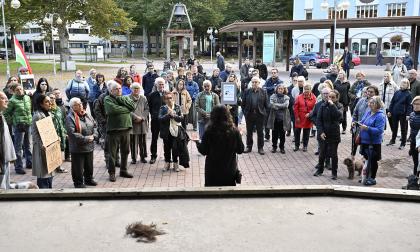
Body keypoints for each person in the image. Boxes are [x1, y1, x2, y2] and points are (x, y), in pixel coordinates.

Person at [193, 105, 244, 186]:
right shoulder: (234, 131)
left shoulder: (209, 131)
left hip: (212, 171)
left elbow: (203, 151)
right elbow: (240, 150)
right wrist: (239, 136)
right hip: (229, 170)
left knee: (211, 195)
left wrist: (197, 142)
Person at [104, 81, 135, 182]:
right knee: (112, 153)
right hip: (114, 130)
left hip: (126, 128)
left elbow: (133, 107)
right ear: (111, 91)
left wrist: (120, 98)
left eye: (120, 88)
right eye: (116, 89)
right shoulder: (107, 99)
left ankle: (123, 170)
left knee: (125, 151)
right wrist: (126, 109)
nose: (119, 90)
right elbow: (112, 110)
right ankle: (112, 173)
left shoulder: (125, 97)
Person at [66, 97, 97, 188]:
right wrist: (86, 138)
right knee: (78, 167)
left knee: (89, 165)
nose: (80, 105)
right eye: (77, 104)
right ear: (72, 107)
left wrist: (94, 136)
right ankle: (78, 183)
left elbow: (94, 125)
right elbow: (72, 133)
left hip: (89, 145)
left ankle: (88, 179)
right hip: (77, 147)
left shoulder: (87, 114)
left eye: (80, 103)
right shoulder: (70, 118)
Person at [313, 90, 343, 180]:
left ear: (337, 98)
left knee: (333, 154)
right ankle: (320, 170)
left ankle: (334, 173)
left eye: (333, 97)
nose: (330, 99)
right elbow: (319, 120)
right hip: (324, 134)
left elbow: (339, 116)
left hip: (334, 134)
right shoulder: (322, 105)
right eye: (329, 97)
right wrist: (321, 132)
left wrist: (332, 105)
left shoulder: (339, 106)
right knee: (322, 153)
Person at [3, 85, 32, 175]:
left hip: (28, 124)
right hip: (19, 126)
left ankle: (29, 163)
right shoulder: (12, 101)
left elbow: (29, 110)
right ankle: (18, 167)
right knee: (18, 147)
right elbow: (6, 113)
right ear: (14, 91)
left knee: (28, 145)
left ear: (23, 89)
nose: (19, 91)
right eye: (17, 90)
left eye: (20, 89)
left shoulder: (27, 98)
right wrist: (14, 121)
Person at [358, 96, 386, 186]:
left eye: (372, 103)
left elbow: (380, 130)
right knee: (366, 159)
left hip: (374, 142)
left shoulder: (380, 116)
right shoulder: (368, 112)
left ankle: (372, 178)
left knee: (373, 160)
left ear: (377, 104)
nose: (369, 104)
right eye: (369, 102)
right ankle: (365, 176)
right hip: (365, 141)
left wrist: (367, 128)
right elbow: (362, 121)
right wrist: (357, 123)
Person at [241, 76, 269, 155]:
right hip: (249, 115)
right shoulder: (247, 91)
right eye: (253, 82)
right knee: (249, 131)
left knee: (260, 132)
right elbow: (243, 104)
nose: (254, 83)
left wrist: (264, 114)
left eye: (256, 82)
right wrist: (245, 113)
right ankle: (249, 146)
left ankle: (260, 148)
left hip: (260, 115)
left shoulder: (263, 92)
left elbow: (267, 105)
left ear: (259, 83)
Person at [32, 95, 54, 188]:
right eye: (47, 102)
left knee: (50, 171)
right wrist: (42, 145)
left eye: (50, 101)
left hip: (49, 146)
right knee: (43, 172)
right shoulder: (37, 115)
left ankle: (49, 191)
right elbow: (34, 133)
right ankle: (43, 194)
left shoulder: (48, 113)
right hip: (41, 147)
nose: (50, 103)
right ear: (41, 104)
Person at [159, 91, 184, 172]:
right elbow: (160, 119)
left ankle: (175, 163)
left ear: (173, 98)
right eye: (167, 98)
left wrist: (174, 115)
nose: (169, 100)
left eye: (170, 98)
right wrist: (168, 115)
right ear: (164, 100)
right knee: (166, 148)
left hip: (176, 130)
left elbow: (181, 118)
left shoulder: (177, 107)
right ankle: (167, 162)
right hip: (166, 131)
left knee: (175, 148)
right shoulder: (163, 108)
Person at [352, 86, 379, 158]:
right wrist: (353, 122)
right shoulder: (361, 100)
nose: (369, 93)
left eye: (371, 92)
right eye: (368, 91)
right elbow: (355, 113)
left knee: (365, 149)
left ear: (376, 93)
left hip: (369, 130)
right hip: (359, 127)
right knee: (355, 143)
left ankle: (365, 161)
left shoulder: (378, 103)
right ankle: (352, 157)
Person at [387, 78, 412, 149]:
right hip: (395, 112)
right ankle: (393, 140)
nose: (403, 84)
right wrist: (389, 111)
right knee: (394, 127)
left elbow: (409, 105)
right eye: (402, 83)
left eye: (405, 83)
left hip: (403, 114)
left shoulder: (409, 94)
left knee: (403, 129)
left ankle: (403, 143)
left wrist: (408, 114)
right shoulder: (397, 92)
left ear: (407, 85)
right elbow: (392, 102)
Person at [266, 84, 291, 154]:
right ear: (277, 89)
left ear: (284, 90)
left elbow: (286, 105)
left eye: (282, 89)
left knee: (282, 134)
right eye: (279, 88)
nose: (280, 90)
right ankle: (274, 147)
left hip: (283, 119)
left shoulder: (286, 97)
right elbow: (271, 104)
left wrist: (276, 105)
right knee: (274, 134)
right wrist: (281, 106)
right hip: (275, 118)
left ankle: (282, 147)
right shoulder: (273, 96)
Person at [47, 92, 68, 173]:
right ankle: (51, 166)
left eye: (53, 98)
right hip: (51, 133)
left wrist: (65, 132)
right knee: (51, 151)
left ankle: (58, 166)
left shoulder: (58, 109)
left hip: (60, 132)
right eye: (50, 98)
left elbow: (63, 120)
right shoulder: (46, 110)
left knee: (59, 149)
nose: (52, 99)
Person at [147, 78, 166, 164]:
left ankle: (167, 155)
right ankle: (153, 156)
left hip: (165, 120)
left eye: (162, 84)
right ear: (156, 85)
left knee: (166, 138)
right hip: (155, 120)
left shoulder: (167, 93)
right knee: (154, 138)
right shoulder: (152, 95)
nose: (161, 86)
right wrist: (154, 115)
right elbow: (149, 108)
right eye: (159, 84)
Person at [129, 83, 149, 164]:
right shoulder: (127, 98)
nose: (136, 90)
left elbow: (147, 109)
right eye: (134, 88)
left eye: (137, 88)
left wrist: (142, 117)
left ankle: (143, 157)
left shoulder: (143, 98)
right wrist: (135, 117)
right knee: (133, 141)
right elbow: (127, 110)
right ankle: (134, 158)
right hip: (133, 122)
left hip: (142, 122)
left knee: (143, 141)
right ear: (131, 89)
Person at [0, 91, 16, 189]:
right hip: (1, 159)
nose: (6, 100)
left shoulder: (1, 116)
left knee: (5, 186)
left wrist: (11, 155)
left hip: (5, 158)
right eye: (3, 98)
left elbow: (6, 139)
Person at [293, 83, 316, 152]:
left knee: (306, 132)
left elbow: (314, 109)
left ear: (310, 90)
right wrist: (297, 117)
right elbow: (295, 108)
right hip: (299, 117)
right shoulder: (299, 97)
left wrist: (310, 114)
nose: (306, 91)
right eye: (305, 89)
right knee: (297, 132)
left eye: (308, 89)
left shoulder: (314, 98)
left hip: (308, 117)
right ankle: (296, 146)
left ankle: (305, 146)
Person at [409, 96, 420, 175]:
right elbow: (412, 129)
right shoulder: (412, 114)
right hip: (413, 141)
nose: (416, 105)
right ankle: (414, 179)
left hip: (419, 143)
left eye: (418, 104)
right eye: (414, 104)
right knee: (415, 161)